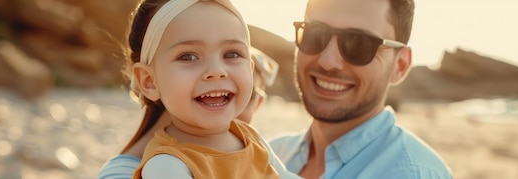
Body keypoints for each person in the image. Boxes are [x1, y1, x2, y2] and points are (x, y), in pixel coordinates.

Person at [97, 0, 298, 178]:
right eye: (188, 56)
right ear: (150, 81)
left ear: (250, 69)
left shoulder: (249, 137)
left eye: (232, 54)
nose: (217, 71)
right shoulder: (165, 164)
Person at [269, 0, 453, 178]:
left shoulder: (411, 174)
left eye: (359, 44)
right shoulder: (270, 155)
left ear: (400, 65)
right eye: (314, 34)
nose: (328, 61)